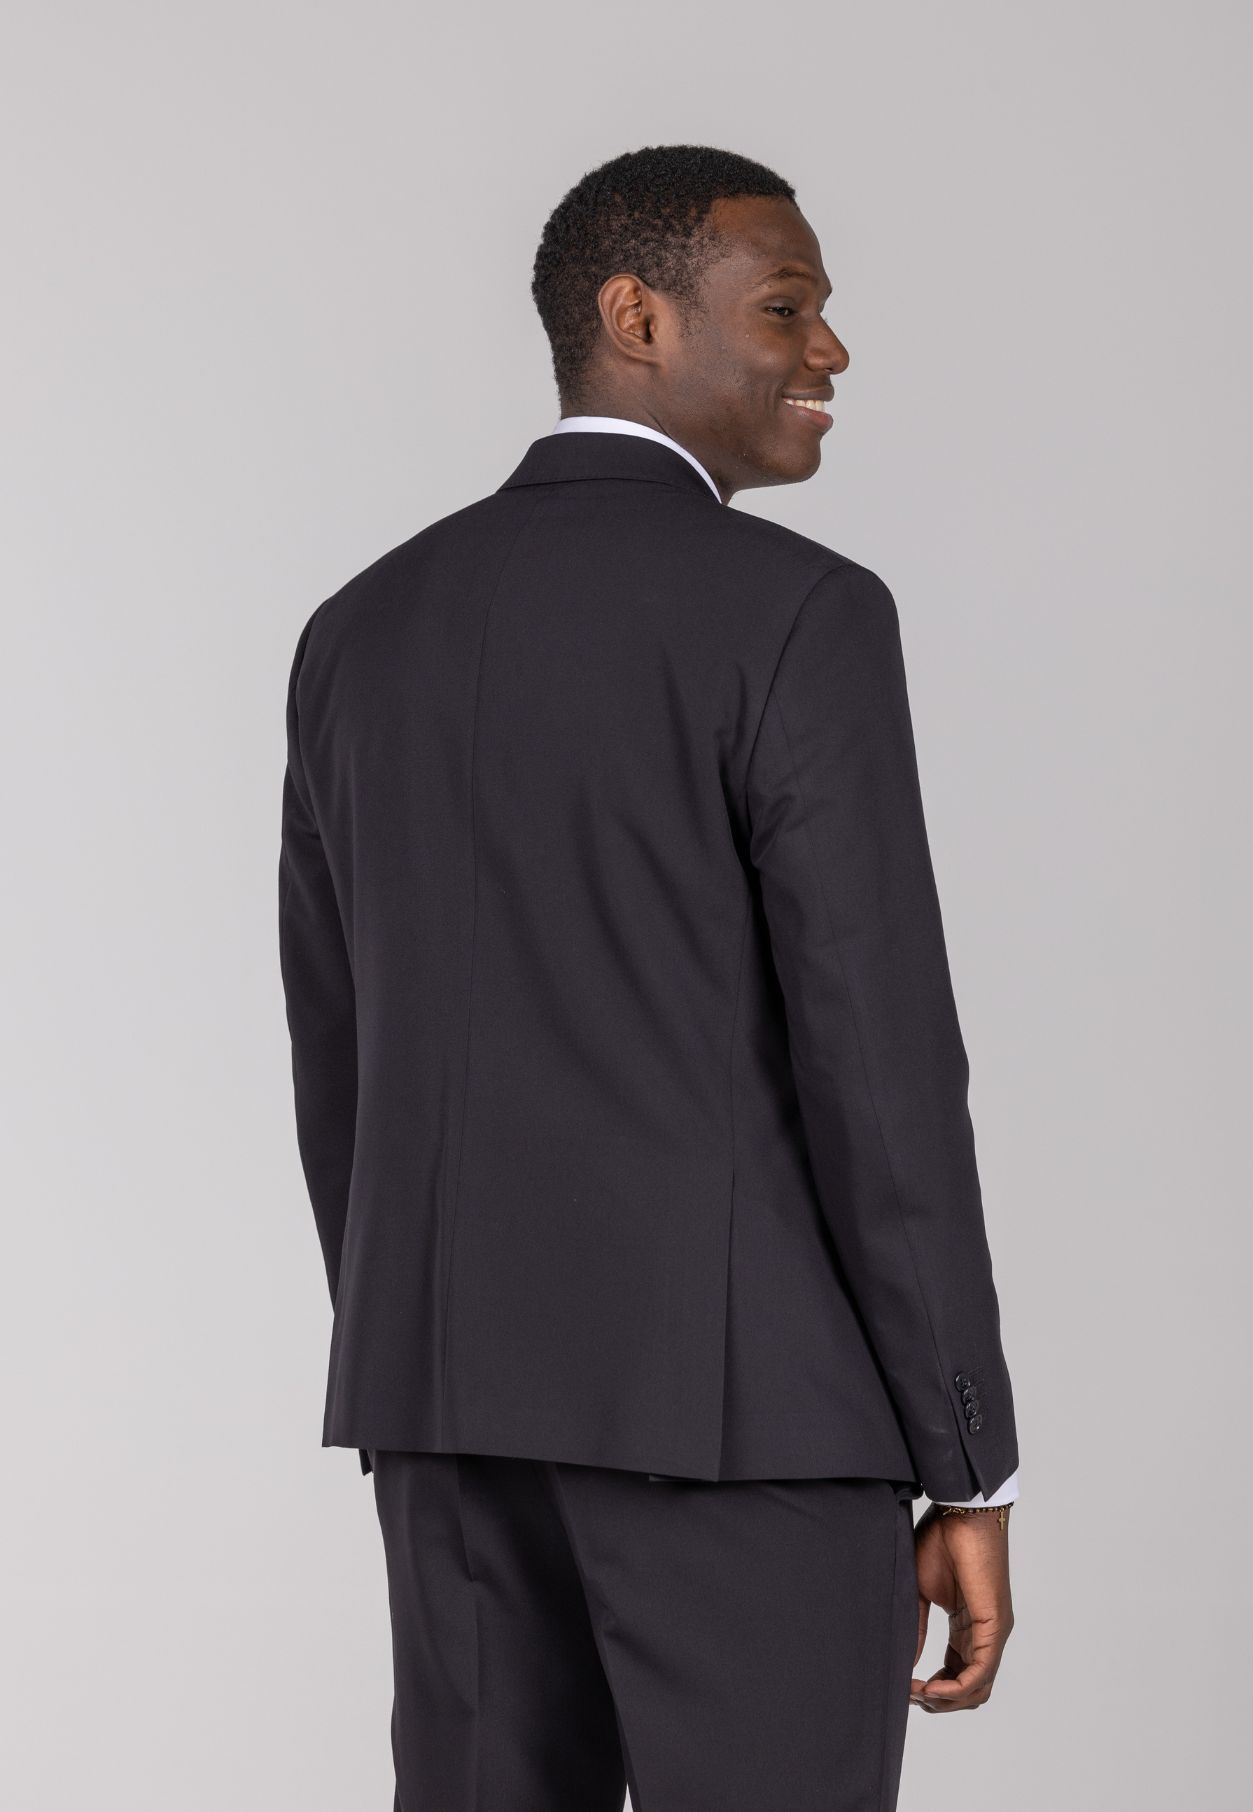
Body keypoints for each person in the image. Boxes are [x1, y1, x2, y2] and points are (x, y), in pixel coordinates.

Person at [278, 142, 1019, 1811]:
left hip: (449, 1420)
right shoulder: (799, 614)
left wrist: (426, 1360)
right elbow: (880, 1068)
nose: (829, 349)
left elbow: (342, 1061)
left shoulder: (361, 628)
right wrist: (969, 1457)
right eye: (787, 308)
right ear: (637, 316)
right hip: (754, 1431)